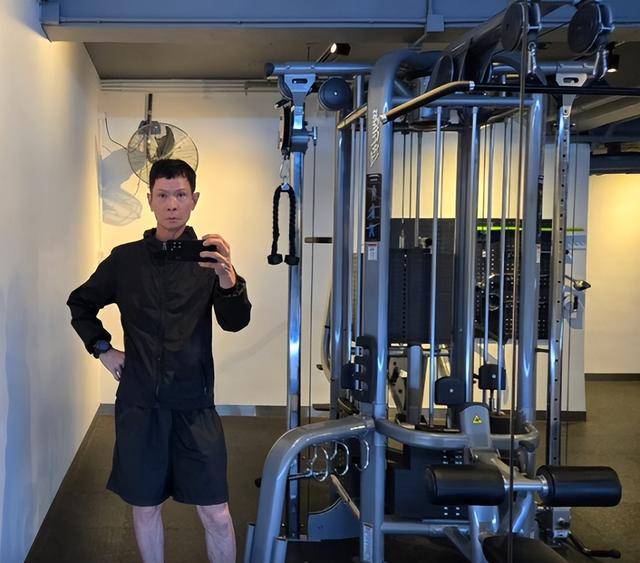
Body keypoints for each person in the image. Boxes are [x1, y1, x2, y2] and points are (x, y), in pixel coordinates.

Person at [67, 158, 251, 563]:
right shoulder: (125, 260)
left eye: (180, 195)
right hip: (140, 405)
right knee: (146, 508)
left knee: (216, 512)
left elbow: (236, 322)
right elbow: (80, 303)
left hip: (194, 405)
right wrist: (103, 349)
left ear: (194, 200)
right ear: (150, 199)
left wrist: (229, 279)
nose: (172, 204)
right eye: (163, 195)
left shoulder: (210, 260)